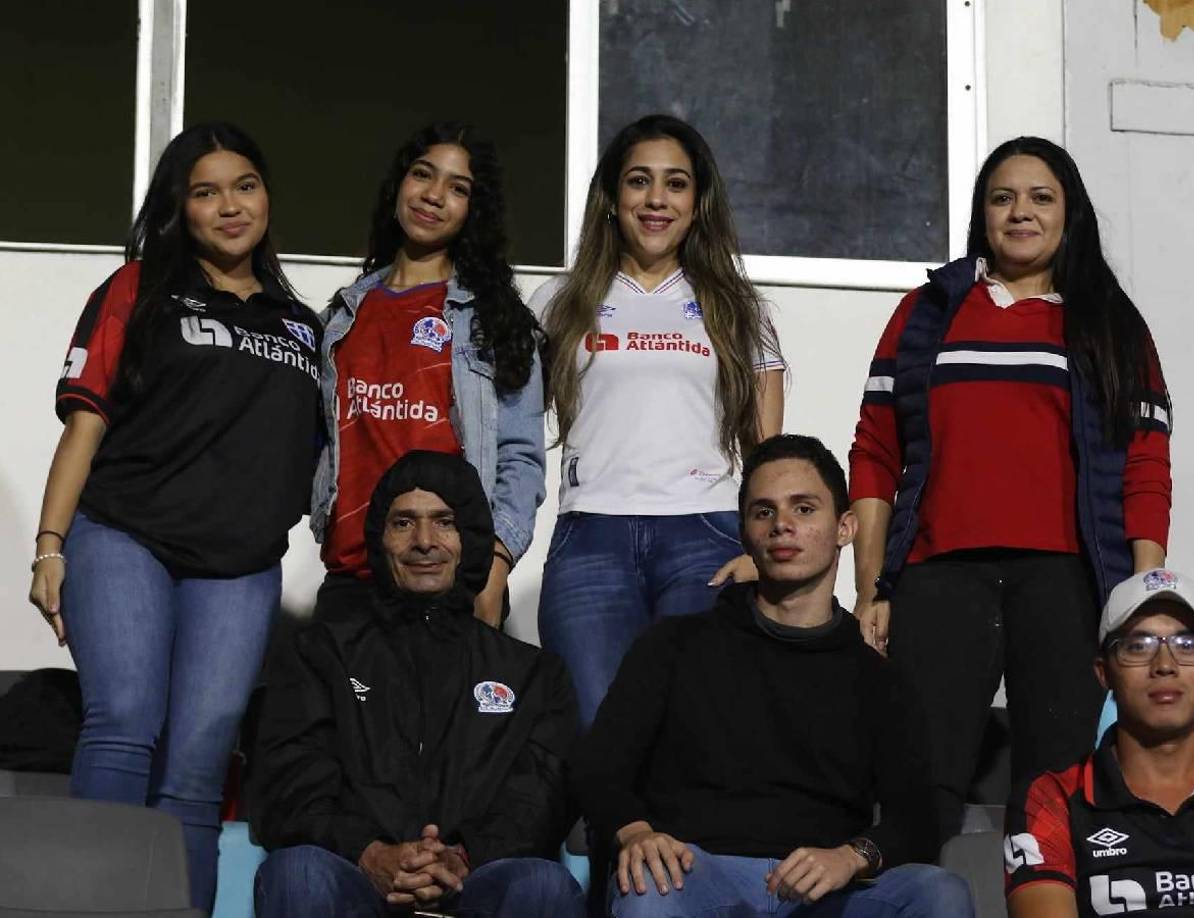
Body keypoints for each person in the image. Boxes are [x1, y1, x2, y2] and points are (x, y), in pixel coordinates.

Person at [26, 122, 321, 911]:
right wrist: (50, 545)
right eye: (206, 192)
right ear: (179, 208)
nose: (230, 206)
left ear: (266, 196)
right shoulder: (140, 288)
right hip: (126, 537)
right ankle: (93, 907)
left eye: (245, 186)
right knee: (124, 721)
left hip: (239, 566)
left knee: (198, 763)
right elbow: (85, 423)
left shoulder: (303, 323)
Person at [849, 136, 1172, 840]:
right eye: (1003, 198)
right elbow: (875, 451)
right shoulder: (926, 312)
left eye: (1040, 197)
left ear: (1069, 214)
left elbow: (1146, 466)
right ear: (982, 215)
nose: (1020, 211)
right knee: (919, 778)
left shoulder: (1111, 322)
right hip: (938, 577)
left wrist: (1141, 600)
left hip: (1066, 582)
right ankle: (915, 891)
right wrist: (873, 587)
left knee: (1055, 785)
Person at [573, 434, 972, 918]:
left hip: (825, 892)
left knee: (938, 892)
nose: (782, 524)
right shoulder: (673, 645)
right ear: (745, 534)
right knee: (649, 890)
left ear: (845, 527)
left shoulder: (879, 680)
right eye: (764, 512)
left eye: (804, 509)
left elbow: (917, 819)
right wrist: (636, 832)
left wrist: (852, 857)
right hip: (695, 875)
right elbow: (600, 768)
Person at [532, 113, 786, 728]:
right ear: (612, 197)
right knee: (598, 731)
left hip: (705, 538)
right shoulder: (556, 302)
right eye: (639, 180)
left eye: (675, 183)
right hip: (590, 537)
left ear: (697, 204)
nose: (656, 199)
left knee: (691, 732)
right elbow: (507, 433)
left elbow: (769, 456)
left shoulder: (740, 309)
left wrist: (762, 551)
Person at [251, 450, 583, 918]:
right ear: (379, 538)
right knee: (297, 875)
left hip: (477, 880)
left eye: (444, 522)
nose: (424, 542)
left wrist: (463, 856)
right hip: (357, 875)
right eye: (404, 523)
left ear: (470, 537)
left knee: (544, 886)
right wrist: (370, 853)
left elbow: (542, 798)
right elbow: (289, 781)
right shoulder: (320, 655)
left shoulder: (532, 674)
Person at [312, 122, 545, 628]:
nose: (434, 195)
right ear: (399, 183)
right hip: (352, 576)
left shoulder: (493, 320)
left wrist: (494, 567)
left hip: (453, 579)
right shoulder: (342, 317)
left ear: (474, 210)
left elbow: (520, 456)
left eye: (458, 188)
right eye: (423, 174)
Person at [1005, 568, 1194, 917]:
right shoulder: (1052, 796)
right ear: (1103, 672)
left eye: (1187, 645)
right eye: (1138, 646)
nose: (1164, 665)